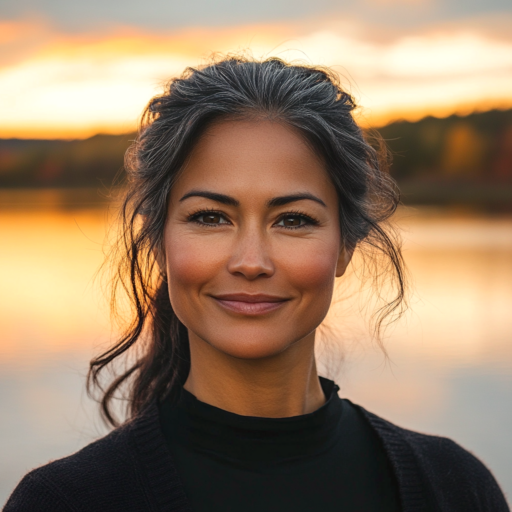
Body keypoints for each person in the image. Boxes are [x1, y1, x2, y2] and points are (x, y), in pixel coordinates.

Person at [4, 56, 509, 512]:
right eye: (209, 217)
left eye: (292, 220)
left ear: (346, 245)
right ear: (158, 241)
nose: (251, 262)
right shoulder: (67, 502)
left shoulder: (454, 488)